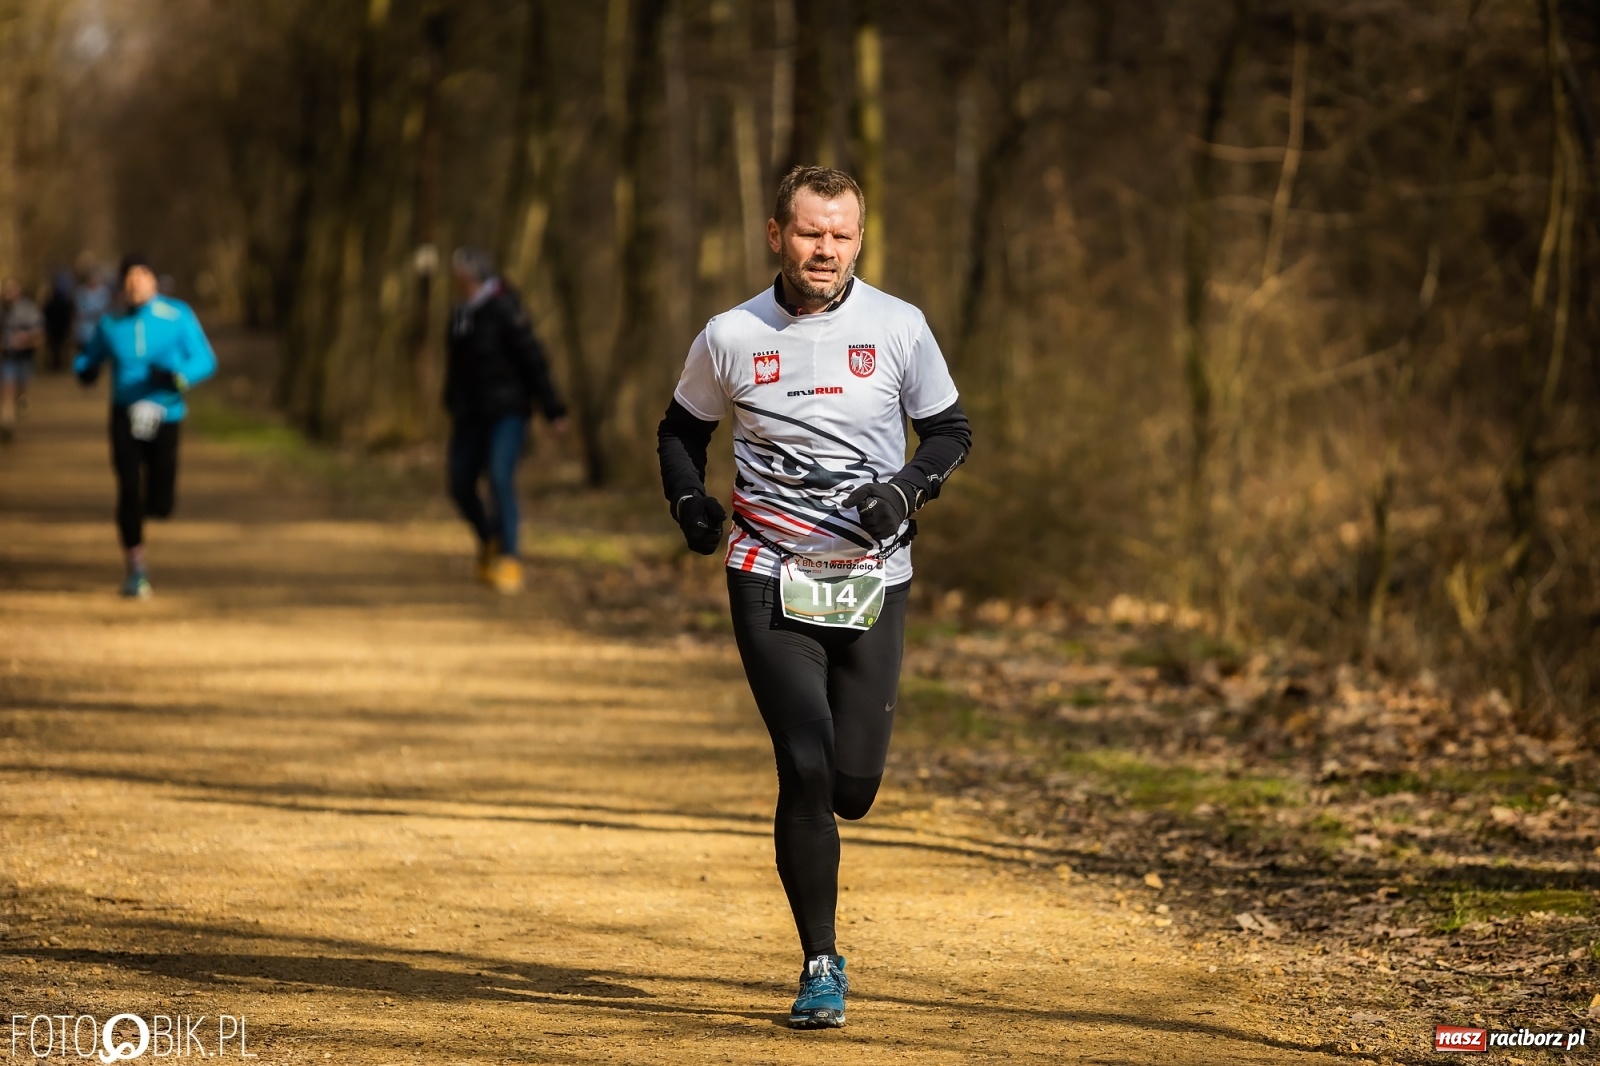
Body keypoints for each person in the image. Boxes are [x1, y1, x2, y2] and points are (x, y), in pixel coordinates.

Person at [656, 166, 972, 1029]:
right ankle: (820, 963)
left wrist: (906, 490)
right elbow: (682, 430)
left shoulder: (899, 326)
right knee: (803, 763)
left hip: (875, 582)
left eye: (839, 235)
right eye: (808, 233)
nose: (823, 250)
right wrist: (690, 502)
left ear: (858, 240)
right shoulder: (730, 335)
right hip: (768, 574)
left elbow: (950, 431)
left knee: (852, 786)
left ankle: (833, 847)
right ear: (776, 234)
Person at [75, 253, 217, 598]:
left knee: (161, 502)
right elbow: (88, 358)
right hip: (124, 414)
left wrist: (177, 378)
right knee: (127, 489)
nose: (135, 283)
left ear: (154, 281)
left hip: (166, 414)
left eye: (142, 276)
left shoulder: (177, 315)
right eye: (129, 277)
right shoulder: (111, 323)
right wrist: (85, 370)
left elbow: (205, 359)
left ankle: (151, 507)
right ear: (122, 285)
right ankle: (136, 569)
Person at [442, 246, 568, 595]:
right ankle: (489, 541)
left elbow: (533, 359)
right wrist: (450, 400)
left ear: (472, 275)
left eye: (459, 275)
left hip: (507, 412)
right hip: (468, 414)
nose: (456, 281)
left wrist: (552, 409)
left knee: (499, 478)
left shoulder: (504, 307)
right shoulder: (460, 313)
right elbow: (454, 365)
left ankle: (510, 558)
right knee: (459, 483)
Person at [0, 277, 45, 442]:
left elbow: (39, 335)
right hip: (7, 358)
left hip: (25, 358)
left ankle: (22, 400)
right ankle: (6, 423)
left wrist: (25, 339)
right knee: (7, 390)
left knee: (21, 390)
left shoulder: (29, 309)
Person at [73, 259, 113, 359]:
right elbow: (81, 306)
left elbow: (106, 306)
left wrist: (98, 312)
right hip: (85, 329)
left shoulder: (104, 292)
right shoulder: (81, 292)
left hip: (99, 326)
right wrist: (87, 311)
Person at [43, 269, 77, 373]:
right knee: (57, 347)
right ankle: (58, 363)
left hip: (61, 325)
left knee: (60, 346)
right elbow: (46, 312)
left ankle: (60, 363)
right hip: (55, 326)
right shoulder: (52, 300)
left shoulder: (64, 300)